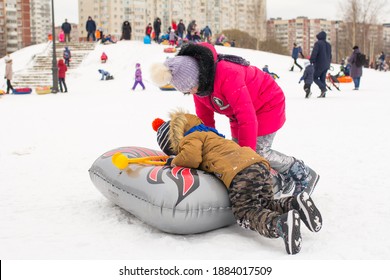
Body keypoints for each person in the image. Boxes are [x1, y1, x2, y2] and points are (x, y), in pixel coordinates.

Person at [150, 42, 320, 196]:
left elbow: (247, 118)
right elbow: (206, 123)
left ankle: (300, 170)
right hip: (238, 113)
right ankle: (283, 179)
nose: (192, 92)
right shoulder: (200, 89)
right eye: (187, 91)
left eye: (191, 87)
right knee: (236, 149)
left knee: (258, 151)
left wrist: (247, 159)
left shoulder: (227, 74)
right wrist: (208, 147)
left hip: (267, 104)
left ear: (198, 76)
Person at [152, 109, 322, 255]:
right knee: (266, 203)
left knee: (246, 212)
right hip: (259, 165)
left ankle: (280, 225)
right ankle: (295, 204)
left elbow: (191, 157)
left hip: (240, 172)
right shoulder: (211, 135)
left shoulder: (192, 138)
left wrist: (173, 161)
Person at [310, 31, 332, 98]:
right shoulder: (328, 45)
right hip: (326, 65)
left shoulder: (318, 44)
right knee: (322, 79)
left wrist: (311, 60)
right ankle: (323, 93)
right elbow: (330, 55)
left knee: (314, 77)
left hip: (319, 64)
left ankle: (323, 89)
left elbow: (314, 53)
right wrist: (328, 63)